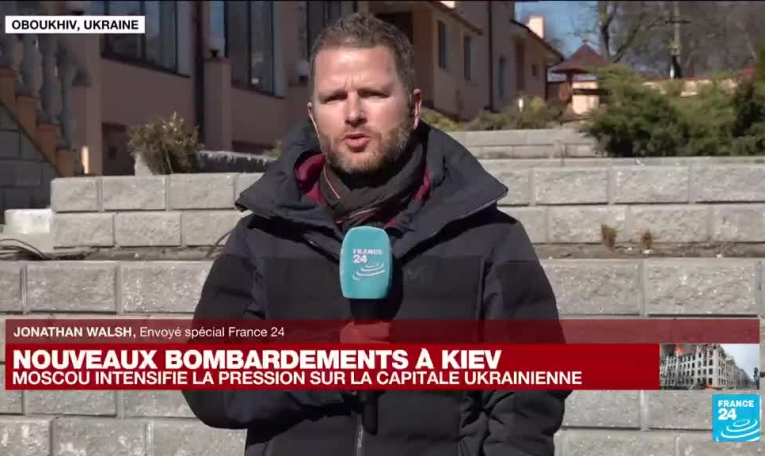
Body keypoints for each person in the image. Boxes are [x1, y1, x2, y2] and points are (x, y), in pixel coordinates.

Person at [182, 12, 569, 456]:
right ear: (313, 115)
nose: (353, 114)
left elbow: (530, 398)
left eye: (373, 94)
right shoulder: (261, 237)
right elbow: (207, 383)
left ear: (414, 106)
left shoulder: (489, 237)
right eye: (334, 97)